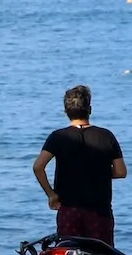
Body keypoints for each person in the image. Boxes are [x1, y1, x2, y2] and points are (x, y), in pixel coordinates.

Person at [33, 85, 126, 244]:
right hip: (99, 210)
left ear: (66, 112)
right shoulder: (106, 136)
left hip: (69, 209)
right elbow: (120, 171)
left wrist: (51, 194)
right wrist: (97, 171)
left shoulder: (57, 137)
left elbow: (38, 167)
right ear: (89, 109)